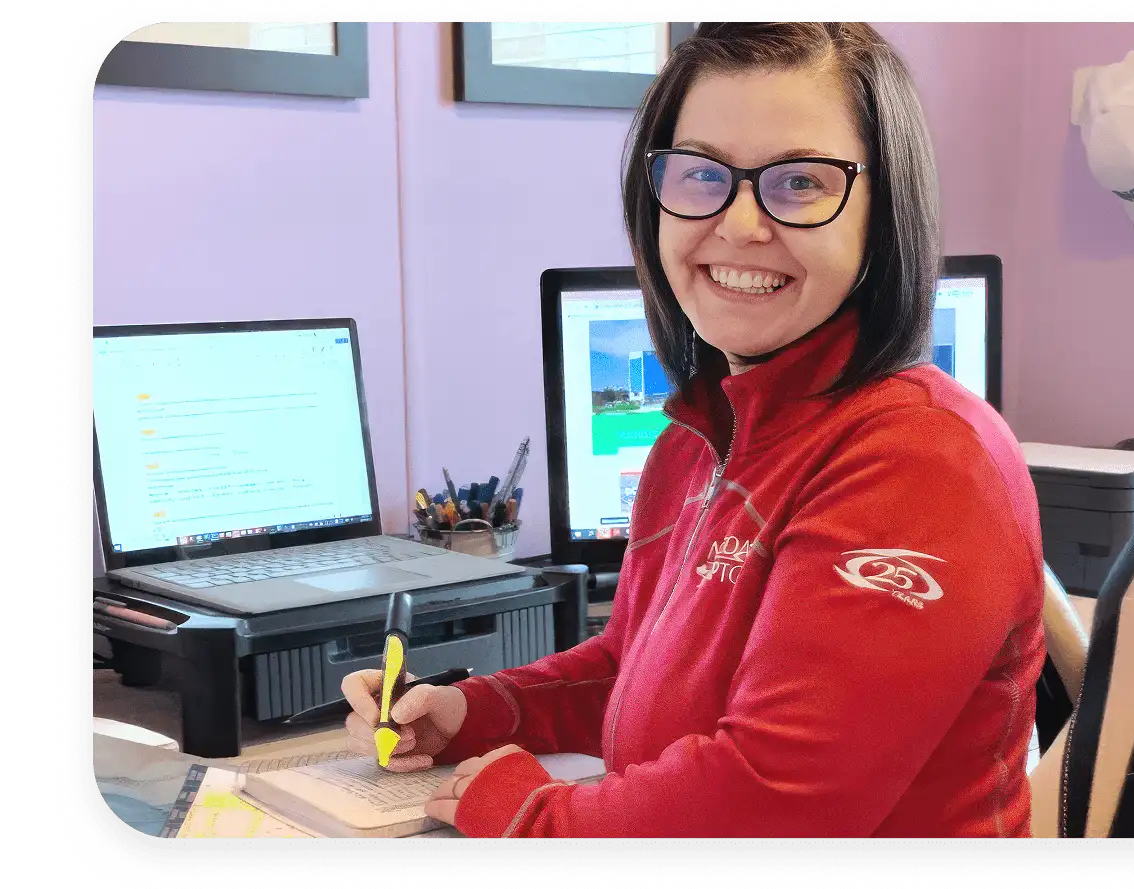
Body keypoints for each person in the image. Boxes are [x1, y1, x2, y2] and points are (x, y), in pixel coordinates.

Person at [342, 21, 1046, 839]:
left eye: (800, 183)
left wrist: (529, 810)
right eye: (701, 174)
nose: (739, 225)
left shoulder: (921, 462)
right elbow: (630, 668)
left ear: (883, 212)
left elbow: (775, 799)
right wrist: (472, 710)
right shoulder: (696, 438)